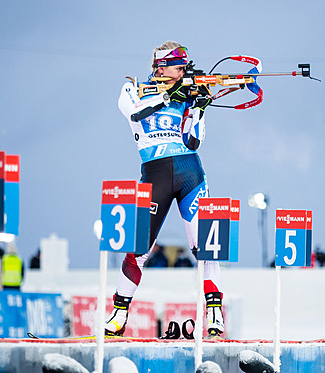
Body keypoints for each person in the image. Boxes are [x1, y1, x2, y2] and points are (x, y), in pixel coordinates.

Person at [105, 41, 224, 338]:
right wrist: (167, 93)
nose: (183, 71)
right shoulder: (133, 88)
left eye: (185, 66)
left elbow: (193, 140)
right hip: (155, 173)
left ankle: (214, 314)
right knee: (138, 250)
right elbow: (134, 113)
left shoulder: (186, 95)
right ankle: (118, 315)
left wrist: (198, 107)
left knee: (205, 248)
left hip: (189, 172)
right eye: (178, 66)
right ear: (161, 66)